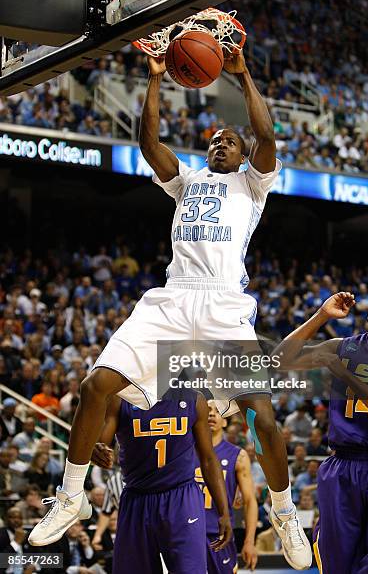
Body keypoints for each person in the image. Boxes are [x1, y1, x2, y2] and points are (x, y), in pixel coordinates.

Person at [29, 50, 311, 570]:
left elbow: (268, 136)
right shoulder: (186, 182)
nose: (217, 144)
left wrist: (243, 73)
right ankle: (70, 496)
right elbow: (148, 143)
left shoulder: (252, 183)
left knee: (265, 422)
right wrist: (156, 79)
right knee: (95, 387)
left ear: (243, 153)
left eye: (227, 140)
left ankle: (284, 510)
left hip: (224, 303)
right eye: (212, 141)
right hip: (173, 299)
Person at [279, 287, 368, 573]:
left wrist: (345, 373)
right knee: (335, 562)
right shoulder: (344, 346)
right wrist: (321, 315)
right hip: (342, 467)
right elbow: (281, 359)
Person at [80, 391, 231, 573]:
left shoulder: (194, 400)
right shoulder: (121, 398)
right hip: (137, 498)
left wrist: (224, 511)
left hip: (181, 498)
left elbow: (208, 459)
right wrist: (95, 450)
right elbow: (101, 444)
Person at [194, 401, 258, 572]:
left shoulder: (238, 455)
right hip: (189, 534)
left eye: (217, 411)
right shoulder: (185, 451)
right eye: (207, 410)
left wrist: (249, 541)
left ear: (225, 421)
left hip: (220, 536)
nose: (211, 414)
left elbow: (250, 501)